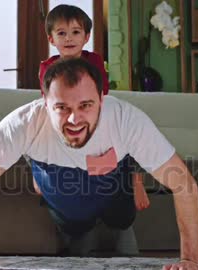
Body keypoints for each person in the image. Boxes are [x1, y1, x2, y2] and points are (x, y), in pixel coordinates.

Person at [0, 58, 198, 270]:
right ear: (45, 103)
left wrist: (190, 261)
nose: (74, 119)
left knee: (120, 215)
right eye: (62, 107)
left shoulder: (127, 120)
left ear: (101, 99)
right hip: (59, 185)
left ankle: (116, 225)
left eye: (85, 105)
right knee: (75, 224)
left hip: (113, 181)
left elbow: (183, 184)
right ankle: (80, 229)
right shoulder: (24, 122)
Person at [36, 4, 151, 212]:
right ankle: (40, 173)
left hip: (94, 115)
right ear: (51, 39)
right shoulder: (48, 67)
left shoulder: (94, 60)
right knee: (41, 125)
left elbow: (101, 94)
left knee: (120, 130)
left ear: (86, 37)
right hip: (63, 122)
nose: (69, 38)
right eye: (62, 33)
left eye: (76, 32)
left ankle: (136, 181)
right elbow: (50, 102)